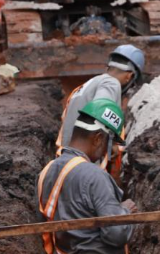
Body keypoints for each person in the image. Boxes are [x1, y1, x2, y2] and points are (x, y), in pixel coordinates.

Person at [38, 99, 136, 254]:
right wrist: (125, 213)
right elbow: (116, 233)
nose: (109, 153)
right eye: (109, 144)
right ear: (98, 138)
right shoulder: (94, 176)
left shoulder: (47, 172)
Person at [56, 44, 145, 181]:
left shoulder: (88, 85)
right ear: (129, 76)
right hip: (85, 164)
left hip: (67, 158)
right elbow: (100, 109)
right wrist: (113, 142)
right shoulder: (111, 84)